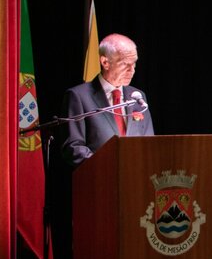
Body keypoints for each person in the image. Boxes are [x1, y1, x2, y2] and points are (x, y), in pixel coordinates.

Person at [61, 33, 154, 168]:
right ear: (105, 62)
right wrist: (108, 166)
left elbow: (149, 143)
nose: (131, 70)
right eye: (125, 64)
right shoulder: (78, 96)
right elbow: (73, 148)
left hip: (135, 179)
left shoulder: (138, 96)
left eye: (134, 64)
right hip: (99, 179)